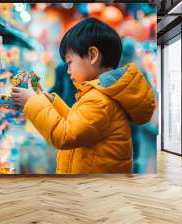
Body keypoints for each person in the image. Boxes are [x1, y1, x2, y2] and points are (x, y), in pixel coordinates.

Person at [11, 18, 155, 174]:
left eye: (70, 62)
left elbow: (65, 135)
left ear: (92, 55)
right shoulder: (98, 94)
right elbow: (76, 124)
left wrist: (32, 101)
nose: (67, 70)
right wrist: (51, 101)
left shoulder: (100, 101)